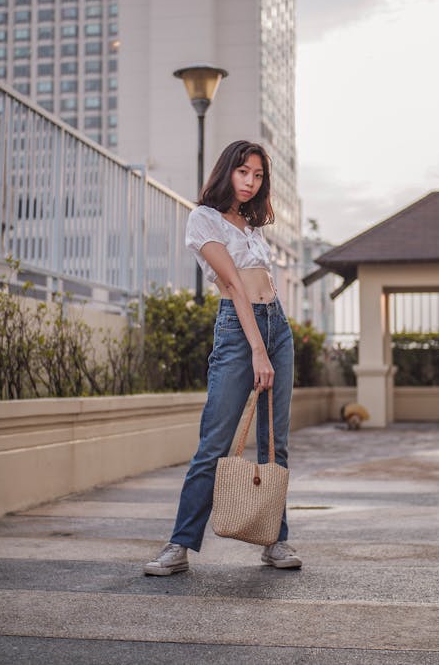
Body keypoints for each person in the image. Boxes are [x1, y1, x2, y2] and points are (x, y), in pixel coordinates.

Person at [144, 140, 302, 575]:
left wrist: (272, 340)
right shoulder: (204, 219)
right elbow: (234, 287)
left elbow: (263, 284)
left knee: (276, 444)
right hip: (238, 332)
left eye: (257, 176)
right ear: (226, 172)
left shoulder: (251, 226)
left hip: (278, 326)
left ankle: (275, 541)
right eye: (243, 172)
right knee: (215, 442)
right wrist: (257, 350)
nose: (250, 182)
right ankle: (179, 546)